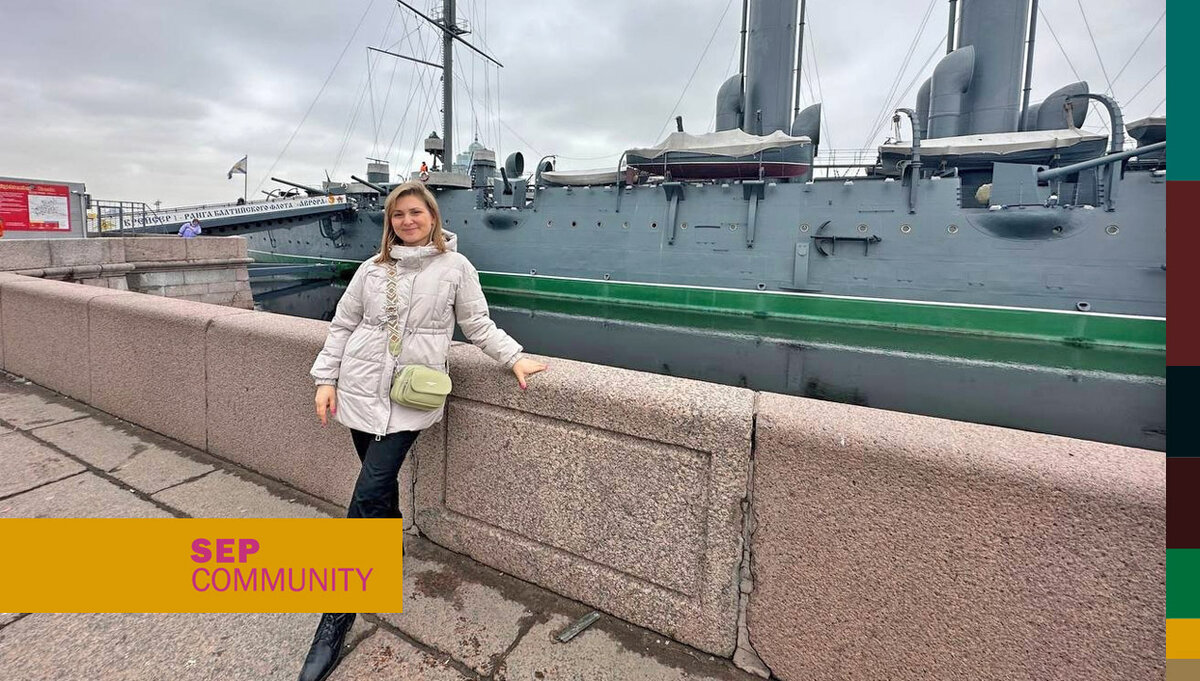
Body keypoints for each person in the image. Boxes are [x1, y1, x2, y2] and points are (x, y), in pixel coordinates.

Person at [298, 181, 547, 681]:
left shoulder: (456, 268)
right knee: (377, 487)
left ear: (432, 217)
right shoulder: (372, 270)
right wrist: (326, 379)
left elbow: (477, 325)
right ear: (389, 222)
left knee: (366, 493)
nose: (407, 221)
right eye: (398, 215)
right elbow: (343, 326)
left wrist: (514, 357)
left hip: (408, 399)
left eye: (416, 212)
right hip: (359, 389)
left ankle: (334, 619)